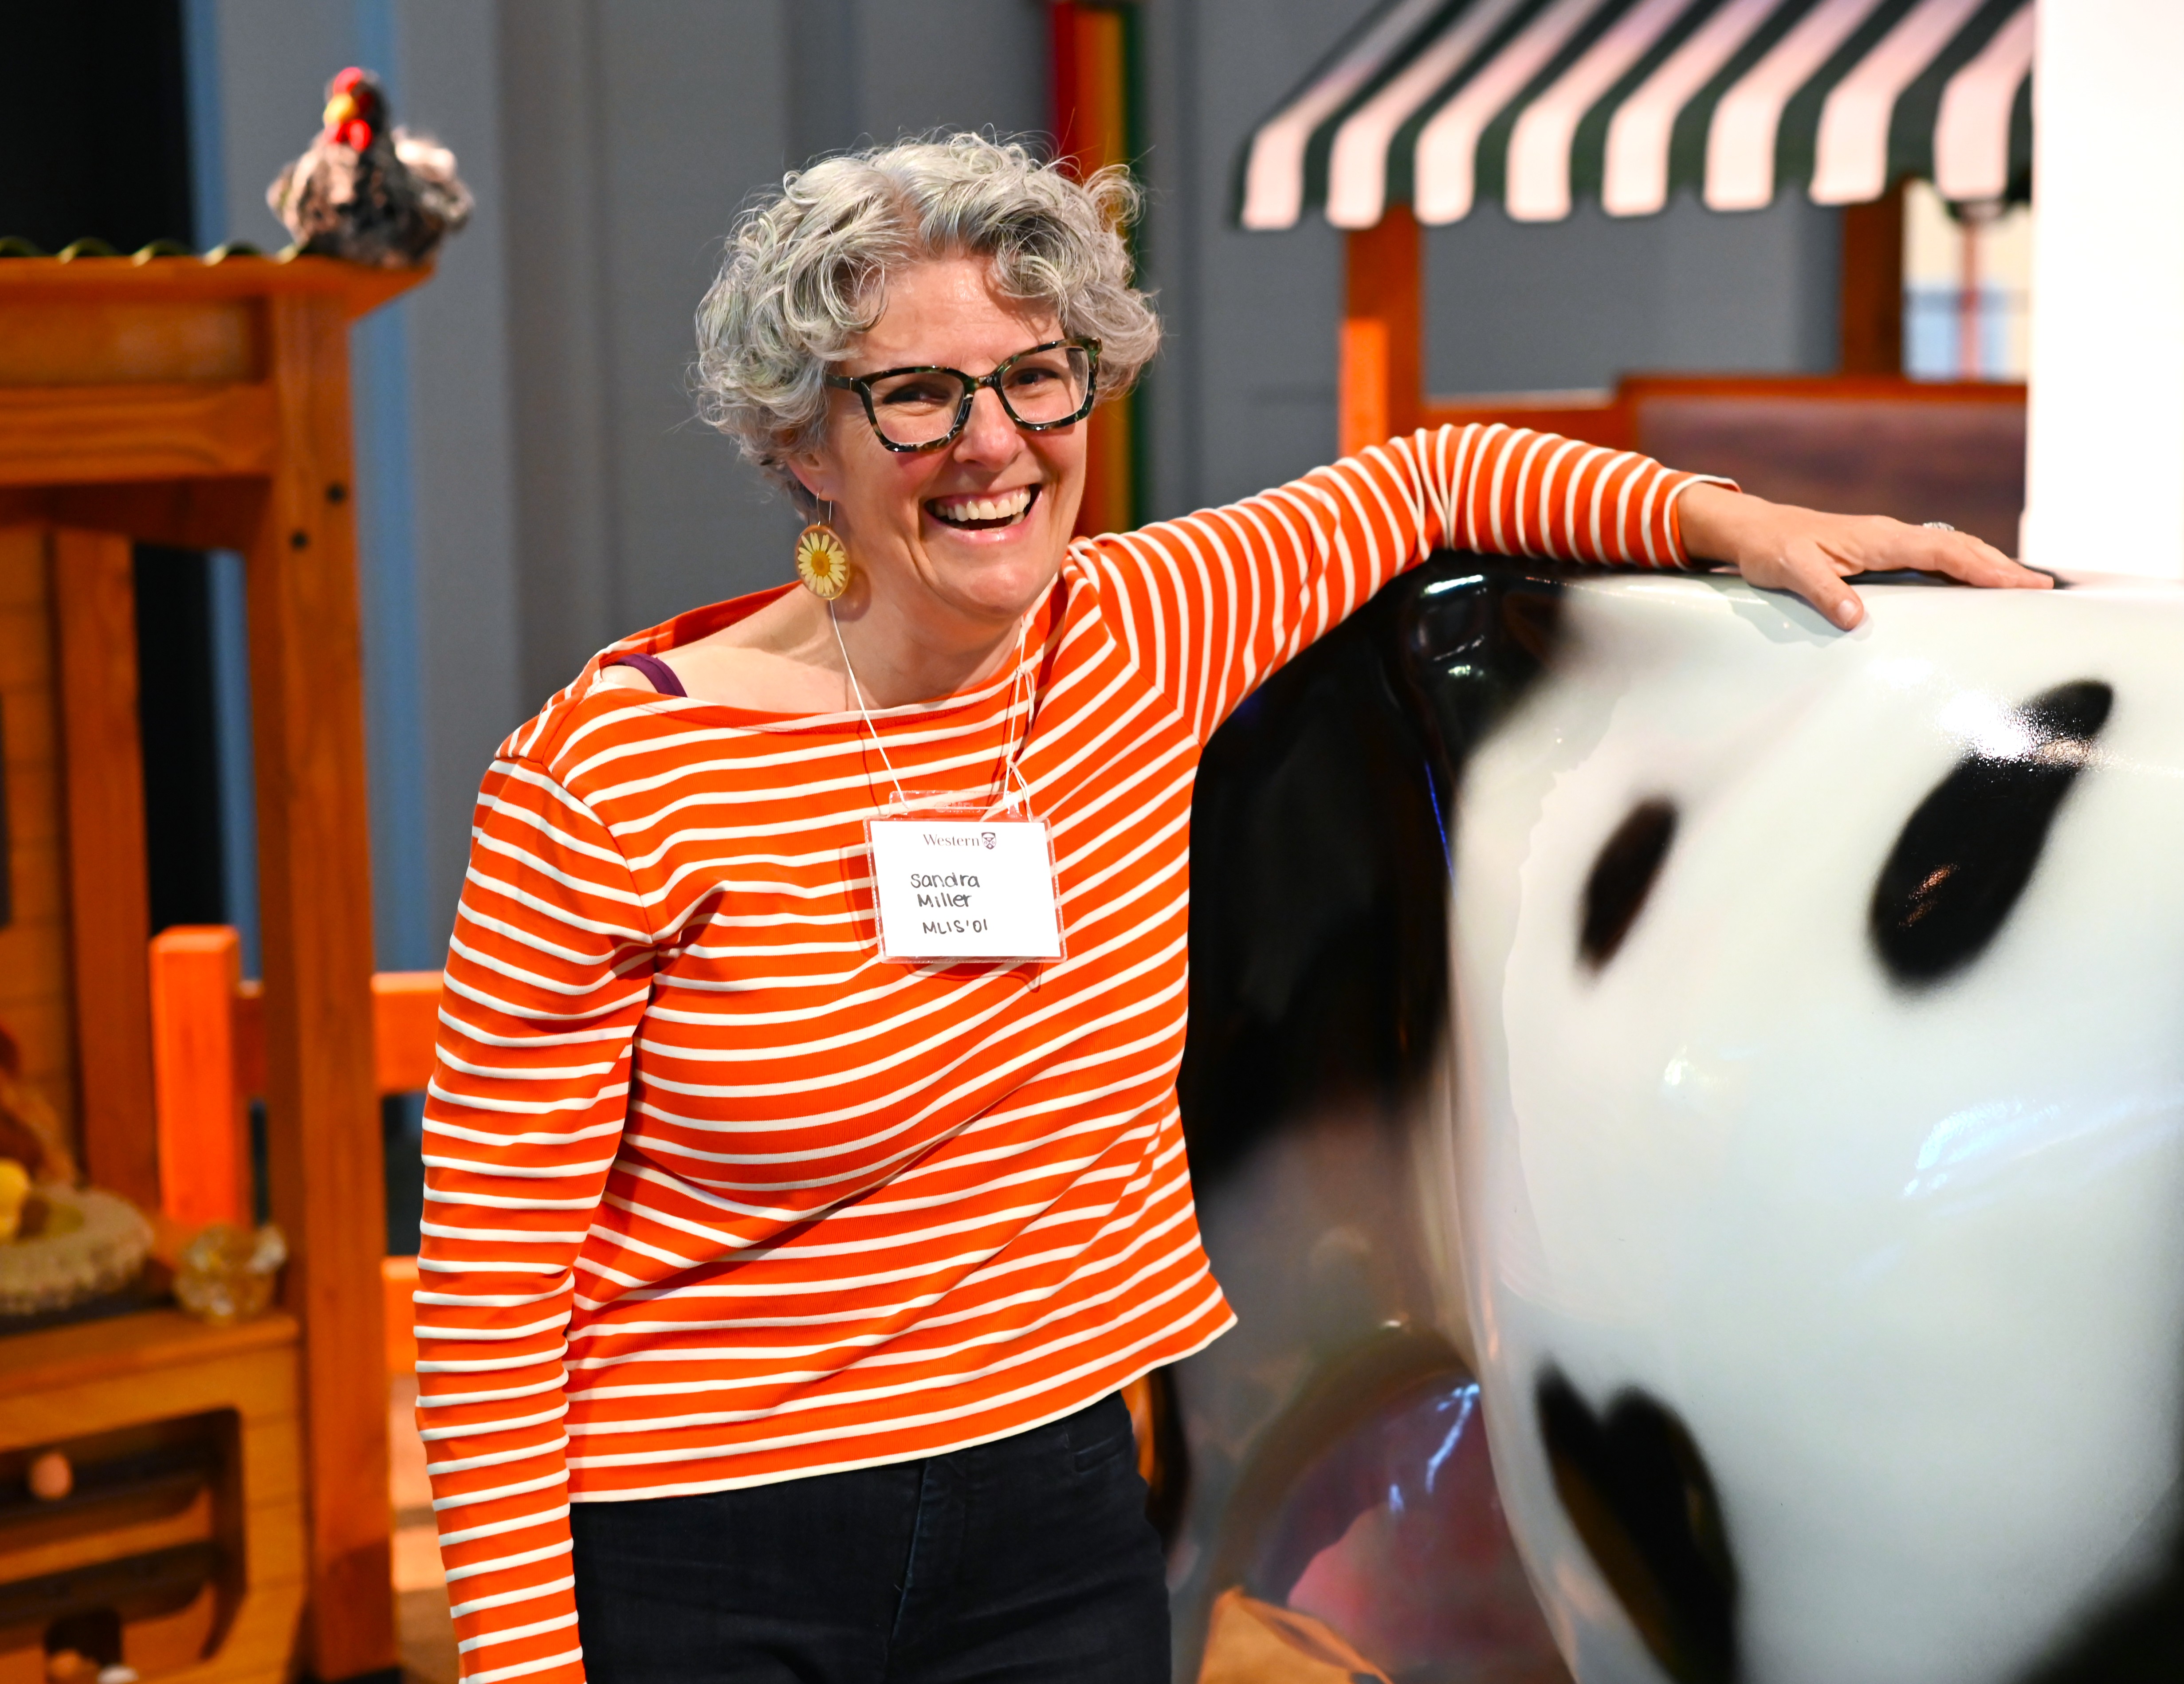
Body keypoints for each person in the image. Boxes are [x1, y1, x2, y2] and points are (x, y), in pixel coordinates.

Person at [414, 135, 2048, 1684]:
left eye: (1037, 375)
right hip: (705, 1536)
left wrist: (1734, 520)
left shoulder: (1146, 628)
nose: (992, 443)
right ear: (801, 444)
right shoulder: (611, 775)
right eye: (914, 395)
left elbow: (1434, 480)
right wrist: (524, 1659)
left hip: (1055, 1506)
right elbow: (490, 1295)